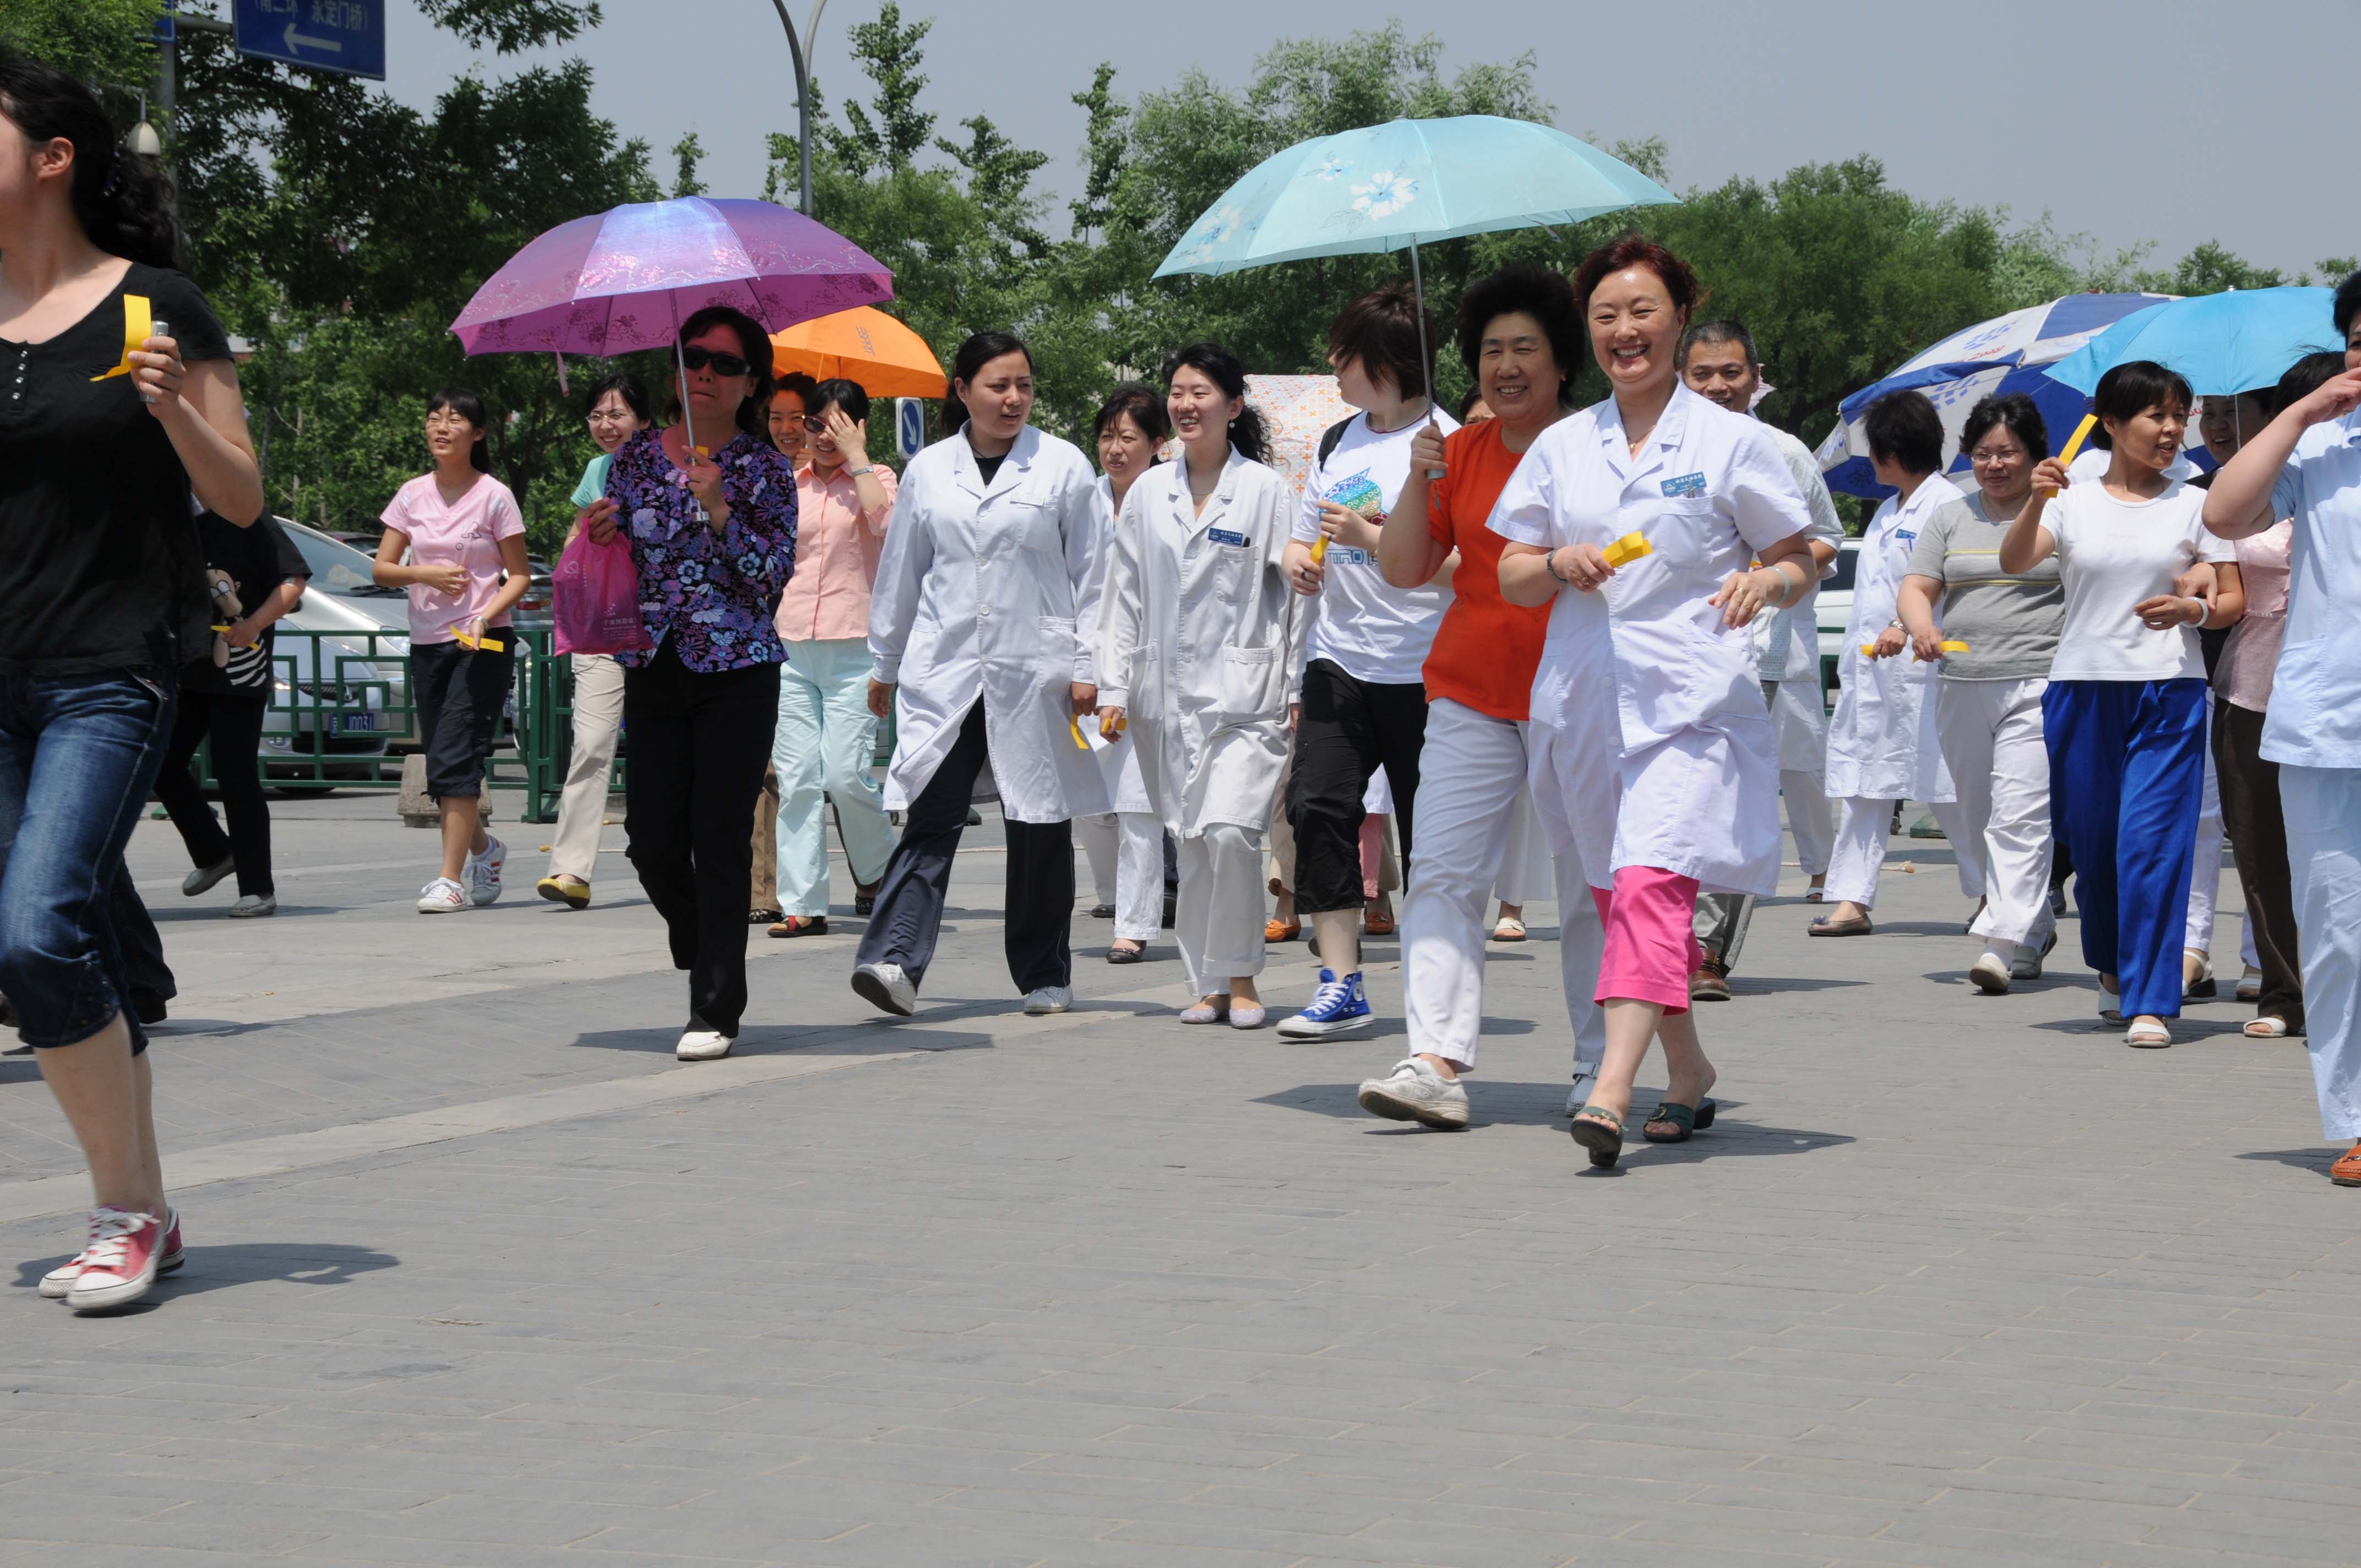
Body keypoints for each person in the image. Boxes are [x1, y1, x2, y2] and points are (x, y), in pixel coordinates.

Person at [0, 50, 264, 1310]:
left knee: (35, 928)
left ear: (53, 158)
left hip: (109, 670)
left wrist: (173, 410)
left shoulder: (156, 306)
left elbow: (242, 498)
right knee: (60, 944)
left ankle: (124, 1210)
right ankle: (143, 1202)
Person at [1494, 234, 1816, 1168]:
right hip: (1584, 701)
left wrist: (1768, 582)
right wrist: (1556, 561)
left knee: (1650, 882)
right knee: (1620, 898)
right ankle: (1689, 1070)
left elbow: (1798, 554)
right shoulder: (1563, 445)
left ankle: (1608, 1091)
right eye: (1605, 316)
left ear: (1678, 319)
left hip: (1691, 703)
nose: (1624, 331)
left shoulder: (1730, 442)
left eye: (1642, 312)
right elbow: (1511, 571)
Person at [1356, 262, 1602, 1129]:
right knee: (1443, 872)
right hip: (1469, 693)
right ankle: (1434, 1061)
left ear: (1561, 361)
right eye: (1492, 350)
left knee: (1590, 884)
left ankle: (1599, 1066)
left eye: (1526, 348)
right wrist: (1418, 475)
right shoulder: (1455, 452)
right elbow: (1402, 568)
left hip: (1578, 694)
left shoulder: (1599, 448)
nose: (1507, 366)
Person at [853, 331, 1107, 1019]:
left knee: (1038, 819)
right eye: (998, 385)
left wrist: (1089, 665)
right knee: (932, 809)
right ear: (963, 390)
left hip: (1036, 669)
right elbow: (902, 572)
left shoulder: (1062, 465)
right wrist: (885, 662)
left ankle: (1044, 973)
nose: (1014, 398)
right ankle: (894, 960)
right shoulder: (929, 470)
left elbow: (1095, 575)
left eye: (1024, 384)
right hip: (947, 667)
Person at [579, 307, 798, 1059]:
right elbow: (625, 558)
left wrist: (720, 508)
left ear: (751, 383)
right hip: (653, 663)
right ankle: (700, 932)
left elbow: (771, 575)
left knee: (719, 836)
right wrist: (603, 536)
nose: (705, 373)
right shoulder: (634, 459)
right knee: (650, 840)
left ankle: (715, 1007)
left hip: (738, 669)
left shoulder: (764, 467)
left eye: (725, 364)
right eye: (694, 357)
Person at [2005, 360, 2243, 1049]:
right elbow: (2016, 561)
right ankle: (2112, 964)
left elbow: (2232, 600)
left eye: (2178, 416)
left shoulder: (2198, 503)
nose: (2171, 430)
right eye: (2154, 415)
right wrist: (2034, 499)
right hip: (2081, 687)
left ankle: (2150, 999)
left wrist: (2193, 610)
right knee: (2095, 844)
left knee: (2151, 844)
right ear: (2110, 423)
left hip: (2168, 689)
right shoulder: (2070, 499)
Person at [2202, 275, 2361, 1178]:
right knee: (2336, 926)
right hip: (2326, 725)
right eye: (2357, 340)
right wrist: (2300, 411)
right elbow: (2225, 512)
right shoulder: (2322, 444)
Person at [1096, 344, 1301, 1025]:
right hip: (1162, 693)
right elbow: (1123, 595)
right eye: (1178, 392)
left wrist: (1296, 684)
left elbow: (1294, 595)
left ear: (1233, 406)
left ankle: (1242, 977)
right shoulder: (1148, 493)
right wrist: (1113, 688)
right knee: (1188, 835)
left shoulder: (1265, 492)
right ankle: (1208, 981)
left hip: (1246, 695)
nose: (1186, 404)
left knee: (1231, 832)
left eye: (1202, 392)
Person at [1277, 285, 1460, 1038]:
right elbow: (1303, 536)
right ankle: (1341, 982)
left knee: (1432, 835)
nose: (1333, 364)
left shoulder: (1449, 445)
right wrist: (1298, 561)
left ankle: (1437, 991)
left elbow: (1473, 566)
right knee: (1317, 807)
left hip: (1427, 670)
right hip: (1339, 660)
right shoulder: (1337, 441)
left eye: (1346, 353)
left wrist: (1372, 538)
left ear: (1388, 362)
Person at [1677, 320, 1844, 998]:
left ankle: (1706, 951)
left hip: (1758, 652)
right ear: (1680, 378)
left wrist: (1768, 577)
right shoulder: (1655, 448)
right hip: (1669, 650)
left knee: (1728, 796)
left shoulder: (1782, 452)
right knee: (1677, 797)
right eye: (1702, 374)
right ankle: (1662, 937)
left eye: (1731, 373)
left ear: (1755, 377)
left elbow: (1825, 539)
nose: (1717, 386)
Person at [1891, 393, 2064, 993]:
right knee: (1978, 817)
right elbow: (1917, 587)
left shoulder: (2061, 511)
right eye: (1983, 453)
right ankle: (2033, 926)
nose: (1994, 465)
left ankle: (2000, 941)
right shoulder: (1950, 516)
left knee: (2020, 813)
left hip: (2039, 682)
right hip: (1962, 684)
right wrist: (1921, 626)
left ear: (2034, 455)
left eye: (2008, 453)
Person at [2199, 363, 2335, 1039]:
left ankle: (2337, 991)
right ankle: (2284, 992)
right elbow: (2215, 533)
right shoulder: (2258, 481)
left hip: (2334, 694)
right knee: (2260, 850)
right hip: (2252, 688)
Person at [1816, 390, 1977, 939]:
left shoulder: (1947, 507)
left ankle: (1991, 895)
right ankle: (1850, 899)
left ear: (1895, 451)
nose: (1871, 461)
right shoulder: (1889, 511)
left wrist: (1903, 626)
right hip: (1873, 674)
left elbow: (1943, 584)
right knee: (1864, 782)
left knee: (1946, 787)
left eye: (1876, 450)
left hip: (1923, 671)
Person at [374, 390, 531, 914]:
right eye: (434, 418)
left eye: (455, 419)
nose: (441, 427)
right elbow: (382, 568)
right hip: (428, 643)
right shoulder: (412, 494)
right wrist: (425, 573)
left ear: (478, 433)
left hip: (483, 642)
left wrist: (485, 613)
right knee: (443, 765)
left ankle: (449, 881)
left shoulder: (495, 496)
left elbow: (520, 575)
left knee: (456, 755)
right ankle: (486, 850)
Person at [766, 377, 897, 938]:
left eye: (838, 425)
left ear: (860, 426)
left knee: (845, 777)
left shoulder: (878, 477)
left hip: (855, 653)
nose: (823, 435)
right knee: (797, 780)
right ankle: (803, 903)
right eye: (816, 423)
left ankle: (885, 873)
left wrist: (857, 456)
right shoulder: (785, 483)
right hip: (791, 649)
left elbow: (888, 527)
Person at [152, 508, 309, 918]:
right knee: (160, 763)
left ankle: (258, 888)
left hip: (241, 669)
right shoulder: (182, 523)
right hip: (189, 668)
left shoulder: (251, 518)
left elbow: (293, 582)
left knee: (235, 773)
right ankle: (215, 852)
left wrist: (254, 624)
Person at [537, 373, 650, 910]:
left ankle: (672, 854)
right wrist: (580, 551)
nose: (606, 425)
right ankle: (570, 869)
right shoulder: (595, 470)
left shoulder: (675, 468)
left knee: (664, 750)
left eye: (617, 414)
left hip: (662, 631)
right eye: (597, 415)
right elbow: (578, 534)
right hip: (605, 627)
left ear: (644, 421)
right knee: (590, 743)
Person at [1080, 382, 1178, 962]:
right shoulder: (1081, 500)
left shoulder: (1171, 500)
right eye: (1106, 437)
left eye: (1128, 438)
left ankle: (1135, 924)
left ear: (1157, 443)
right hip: (1083, 666)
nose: (1115, 449)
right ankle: (1115, 898)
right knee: (1090, 800)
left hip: (1148, 667)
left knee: (1139, 801)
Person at [750, 372, 819, 924]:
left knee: (838, 776)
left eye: (797, 417)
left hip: (832, 642)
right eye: (776, 417)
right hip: (766, 636)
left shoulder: (838, 477)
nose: (786, 428)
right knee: (771, 771)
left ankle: (871, 876)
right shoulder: (754, 474)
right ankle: (765, 891)